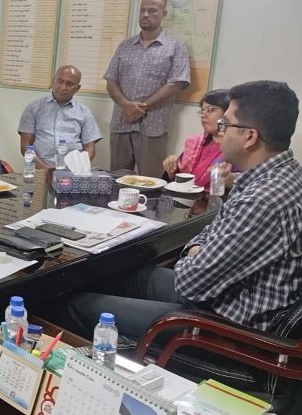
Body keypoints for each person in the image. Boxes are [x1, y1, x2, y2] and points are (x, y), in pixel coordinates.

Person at [59, 80, 301, 340]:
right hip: (224, 293)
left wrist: (196, 254)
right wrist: (198, 251)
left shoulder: (262, 201)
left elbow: (189, 283)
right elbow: (210, 233)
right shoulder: (283, 175)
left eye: (226, 125)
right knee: (117, 276)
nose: (221, 132)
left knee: (71, 303)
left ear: (250, 137)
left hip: (227, 323)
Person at [105, 0, 191, 177]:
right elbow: (111, 80)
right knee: (117, 180)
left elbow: (176, 84)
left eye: (152, 11)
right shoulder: (125, 45)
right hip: (122, 123)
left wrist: (141, 108)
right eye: (142, 10)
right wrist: (126, 106)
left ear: (163, 14)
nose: (145, 14)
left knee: (152, 181)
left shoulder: (175, 46)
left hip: (154, 126)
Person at [18, 65, 102, 168]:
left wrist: (77, 168)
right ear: (53, 81)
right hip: (39, 168)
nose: (63, 87)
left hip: (72, 170)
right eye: (60, 81)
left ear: (77, 88)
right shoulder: (33, 108)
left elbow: (90, 149)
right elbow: (25, 146)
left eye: (69, 84)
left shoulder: (84, 112)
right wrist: (44, 169)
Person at [162, 89, 237, 191]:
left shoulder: (237, 149)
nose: (203, 115)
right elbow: (177, 180)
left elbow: (240, 186)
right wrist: (171, 168)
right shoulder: (193, 142)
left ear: (228, 113)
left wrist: (229, 180)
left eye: (210, 110)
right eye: (202, 111)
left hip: (214, 199)